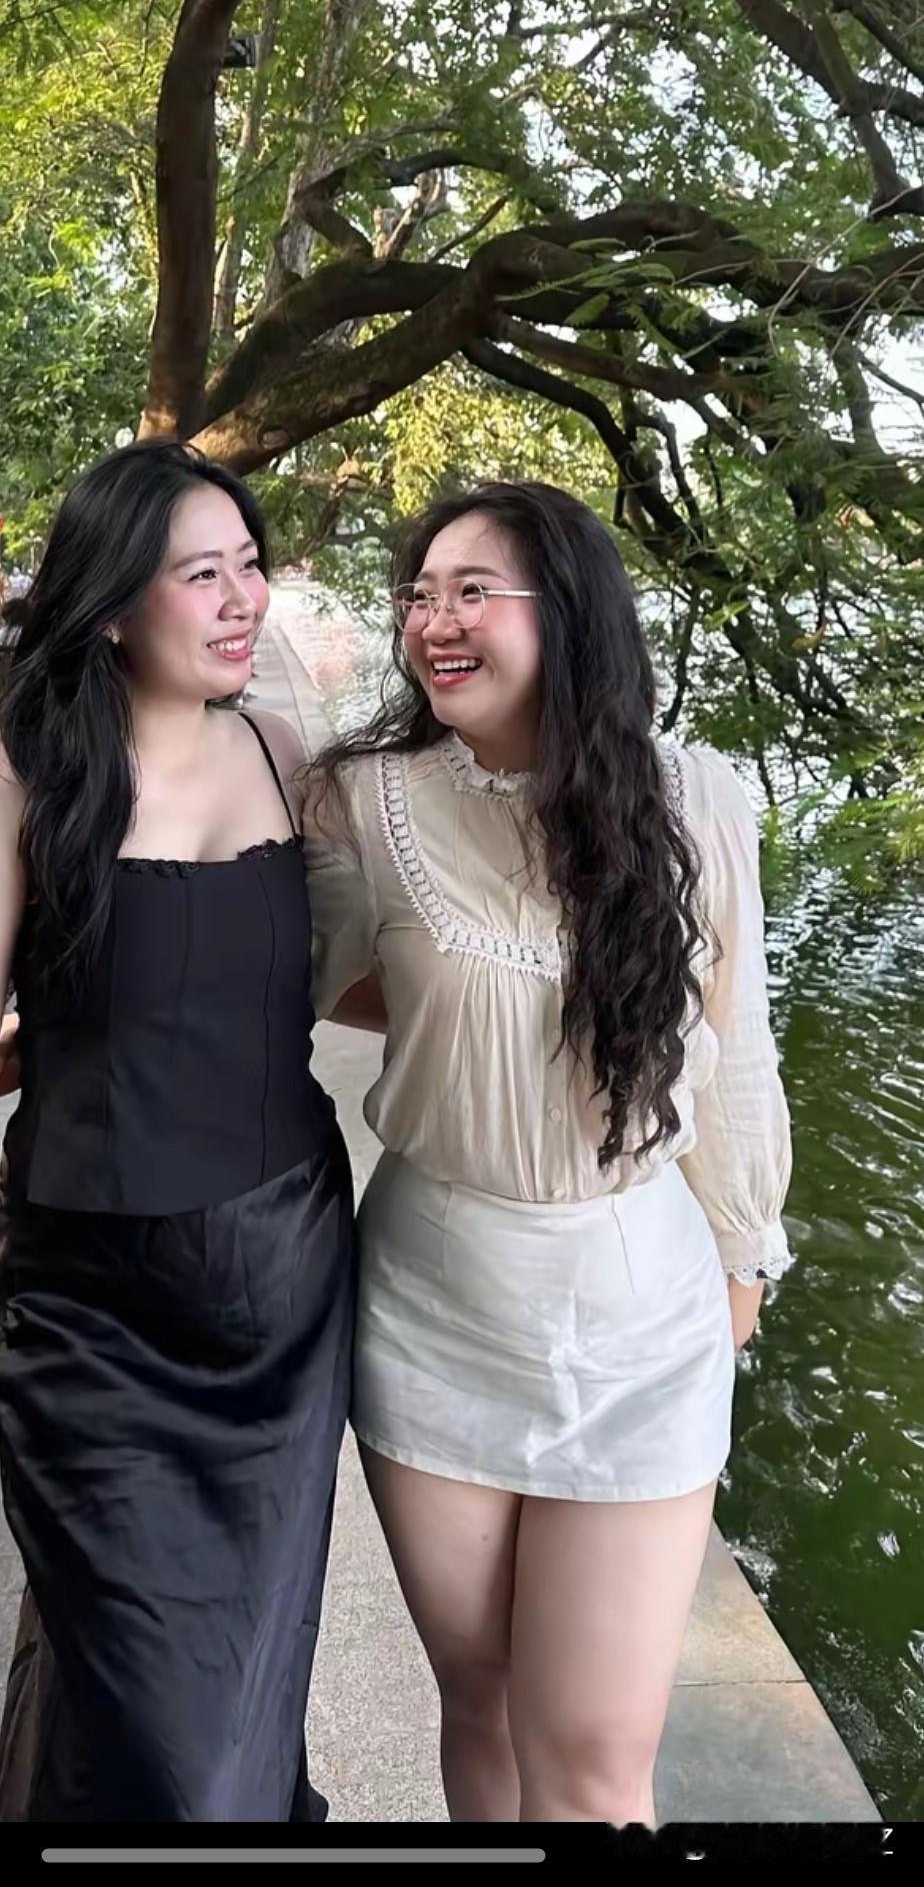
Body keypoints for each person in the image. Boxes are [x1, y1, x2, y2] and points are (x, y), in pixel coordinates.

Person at [302, 480, 793, 1830]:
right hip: (436, 1301)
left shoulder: (696, 799)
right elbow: (282, 976)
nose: (433, 621)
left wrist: (745, 1255)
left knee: (591, 1760)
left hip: (639, 1310)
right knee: (481, 1700)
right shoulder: (366, 801)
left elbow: (738, 1049)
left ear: (567, 614)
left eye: (473, 591)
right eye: (419, 594)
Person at [0, 442, 354, 1824]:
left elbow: (351, 976)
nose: (242, 598)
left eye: (250, 565)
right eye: (202, 573)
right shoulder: (17, 781)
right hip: (92, 1321)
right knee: (162, 1742)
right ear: (107, 604)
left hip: (282, 1305)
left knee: (231, 1696)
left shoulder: (286, 752)